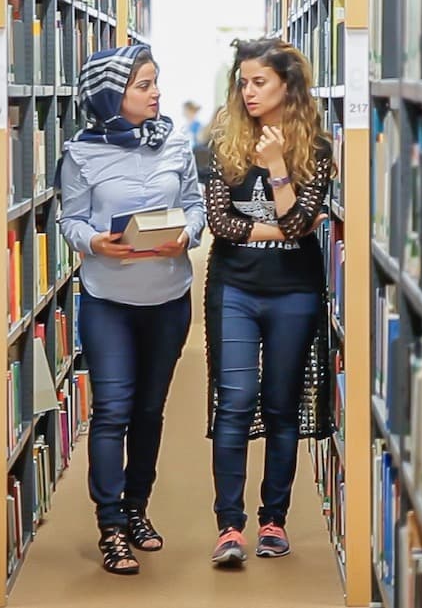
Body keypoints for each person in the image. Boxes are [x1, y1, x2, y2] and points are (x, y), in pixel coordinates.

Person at [57, 44, 206, 575]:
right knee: (113, 410)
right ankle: (112, 525)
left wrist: (186, 234)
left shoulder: (176, 143)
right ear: (111, 95)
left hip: (168, 298)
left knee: (148, 411)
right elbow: (70, 220)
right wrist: (96, 243)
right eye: (144, 84)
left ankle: (138, 509)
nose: (156, 93)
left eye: (155, 82)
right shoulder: (79, 154)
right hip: (109, 302)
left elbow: (195, 205)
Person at [202, 37, 335, 566]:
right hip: (234, 289)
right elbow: (221, 225)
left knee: (282, 407)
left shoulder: (317, 149)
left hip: (294, 294)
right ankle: (228, 527)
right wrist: (283, 232)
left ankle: (273, 520)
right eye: (243, 81)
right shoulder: (222, 139)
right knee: (233, 402)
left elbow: (303, 220)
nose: (248, 91)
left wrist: (278, 165)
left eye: (260, 81)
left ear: (288, 85)